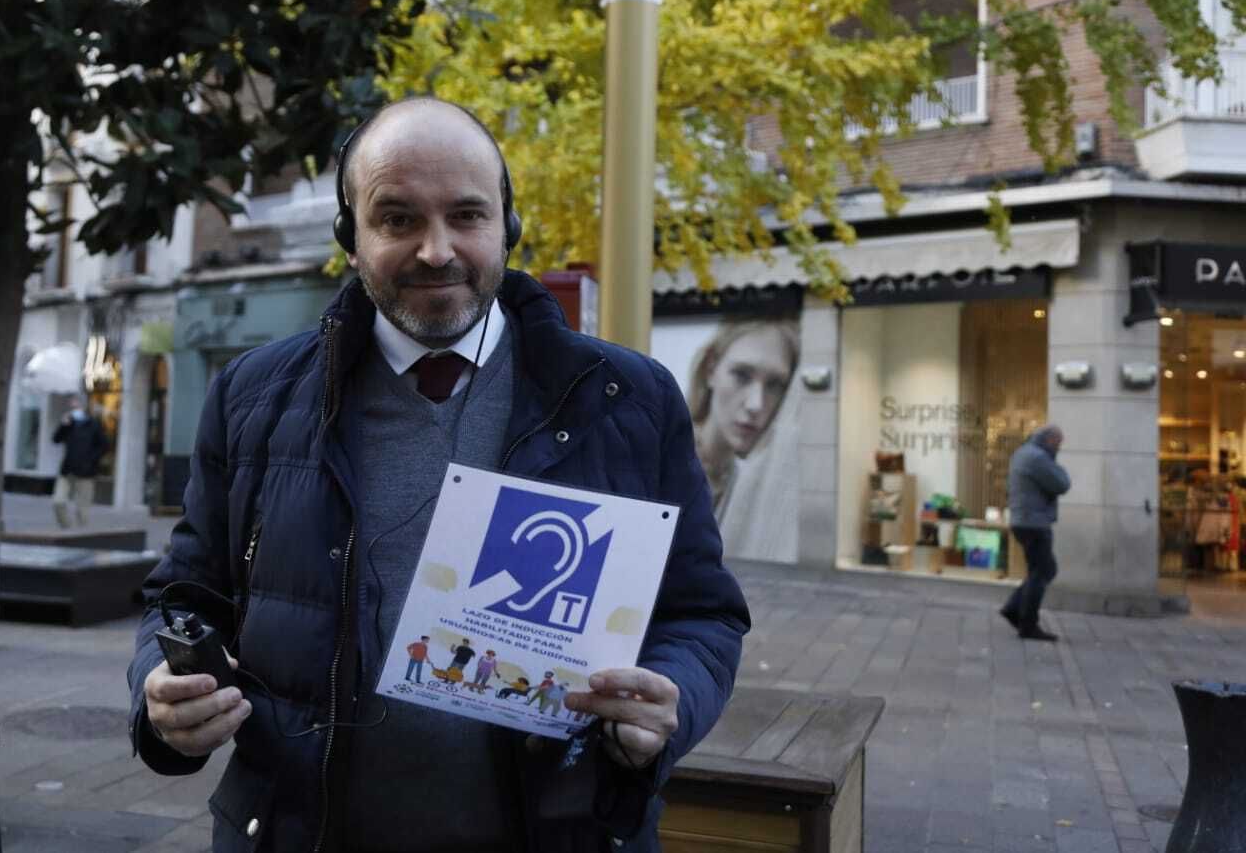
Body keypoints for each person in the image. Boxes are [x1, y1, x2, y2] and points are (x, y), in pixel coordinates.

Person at [128, 96, 749, 853]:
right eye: (396, 219)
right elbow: (184, 596)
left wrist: (669, 700)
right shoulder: (254, 397)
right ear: (349, 240)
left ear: (508, 228)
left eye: (467, 216)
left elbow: (702, 614)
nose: (436, 250)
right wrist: (160, 698)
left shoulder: (629, 400)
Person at [686, 320, 799, 521]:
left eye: (775, 385)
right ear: (711, 370)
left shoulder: (748, 482)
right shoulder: (666, 457)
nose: (755, 404)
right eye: (741, 375)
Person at [1001, 424, 1070, 642]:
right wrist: (1054, 461)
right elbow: (1062, 483)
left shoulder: (1023, 452)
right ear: (1049, 440)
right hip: (1034, 522)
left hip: (1024, 520)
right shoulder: (1038, 457)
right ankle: (1027, 623)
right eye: (1058, 443)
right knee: (1044, 571)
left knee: (1040, 570)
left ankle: (1015, 610)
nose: (1059, 448)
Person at [51, 397, 107, 528]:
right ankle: (67, 528)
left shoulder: (93, 424)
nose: (73, 409)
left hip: (86, 473)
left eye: (76, 406)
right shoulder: (69, 424)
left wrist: (91, 460)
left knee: (82, 510)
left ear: (83, 407)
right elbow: (55, 439)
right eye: (72, 407)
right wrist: (63, 425)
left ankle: (80, 538)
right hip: (67, 470)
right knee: (58, 502)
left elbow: (104, 446)